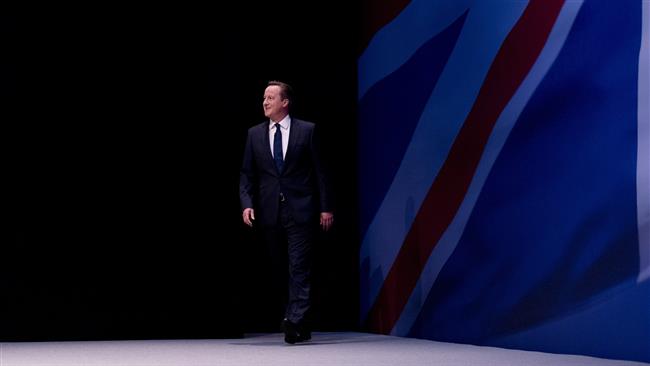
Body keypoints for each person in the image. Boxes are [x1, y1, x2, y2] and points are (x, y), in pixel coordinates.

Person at [239, 80, 334, 344]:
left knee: (299, 267)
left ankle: (293, 320)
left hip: (301, 209)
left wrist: (326, 207)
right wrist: (246, 203)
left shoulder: (307, 130)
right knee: (281, 267)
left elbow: (321, 172)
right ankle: (300, 322)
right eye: (263, 98)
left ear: (285, 102)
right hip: (269, 212)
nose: (265, 102)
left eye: (271, 97)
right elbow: (247, 173)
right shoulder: (254, 134)